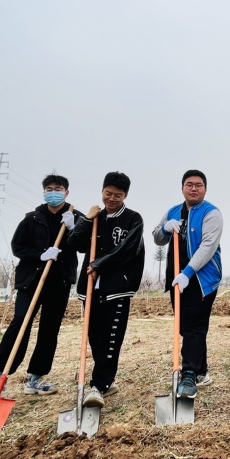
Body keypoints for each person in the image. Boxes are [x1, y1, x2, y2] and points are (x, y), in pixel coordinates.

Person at [0, 174, 83, 399]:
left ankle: (36, 377)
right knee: (20, 322)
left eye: (58, 189)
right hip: (31, 279)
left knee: (49, 328)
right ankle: (0, 374)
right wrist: (40, 255)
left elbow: (84, 246)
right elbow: (17, 247)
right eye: (49, 189)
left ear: (66, 192)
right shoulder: (32, 218)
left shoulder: (76, 217)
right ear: (44, 192)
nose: (53, 193)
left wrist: (74, 229)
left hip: (59, 281)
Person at [67, 171, 145, 408]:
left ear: (125, 196)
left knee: (112, 338)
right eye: (108, 194)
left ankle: (98, 385)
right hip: (91, 288)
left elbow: (127, 250)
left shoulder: (133, 219)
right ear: (102, 191)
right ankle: (106, 380)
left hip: (117, 287)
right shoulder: (95, 217)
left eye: (117, 195)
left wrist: (100, 264)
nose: (111, 199)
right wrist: (86, 220)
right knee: (95, 337)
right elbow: (74, 244)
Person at [152, 170, 223, 399]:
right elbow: (157, 237)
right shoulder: (173, 211)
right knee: (185, 327)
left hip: (202, 279)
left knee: (193, 325)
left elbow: (207, 247)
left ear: (205, 189)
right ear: (182, 187)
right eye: (189, 184)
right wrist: (165, 228)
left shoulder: (211, 213)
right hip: (176, 279)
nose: (194, 188)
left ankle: (189, 375)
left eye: (198, 185)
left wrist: (188, 272)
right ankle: (202, 371)